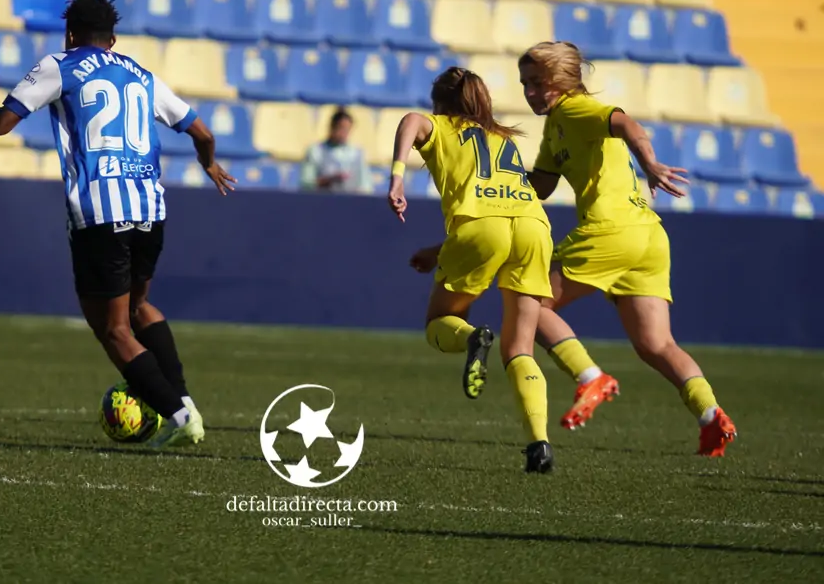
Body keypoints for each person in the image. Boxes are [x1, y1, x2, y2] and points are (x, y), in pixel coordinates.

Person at [0, 0, 236, 449]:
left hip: (100, 212)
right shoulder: (141, 74)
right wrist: (209, 164)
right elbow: (203, 131)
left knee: (113, 328)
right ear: (113, 39)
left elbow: (0, 123)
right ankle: (185, 400)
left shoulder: (60, 65)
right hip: (149, 208)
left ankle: (178, 417)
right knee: (140, 308)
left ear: (70, 34)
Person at [518, 41, 737, 457]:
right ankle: (711, 417)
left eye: (536, 83)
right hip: (647, 238)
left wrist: (650, 165)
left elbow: (627, 124)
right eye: (524, 83)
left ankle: (590, 377)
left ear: (561, 82)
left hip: (611, 231)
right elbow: (542, 186)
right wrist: (502, 183)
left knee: (528, 300)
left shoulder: (575, 109)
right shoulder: (556, 127)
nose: (529, 92)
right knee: (656, 345)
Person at [388, 66, 556, 473]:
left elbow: (411, 121)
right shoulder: (503, 137)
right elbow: (502, 210)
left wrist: (396, 178)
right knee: (521, 348)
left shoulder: (443, 126)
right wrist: (439, 249)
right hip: (534, 229)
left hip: (483, 229)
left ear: (441, 103)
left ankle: (471, 339)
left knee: (440, 322)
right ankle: (539, 444)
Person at [300, 107, 372, 194]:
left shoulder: (357, 153)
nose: (344, 133)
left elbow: (366, 187)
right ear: (332, 127)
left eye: (347, 129)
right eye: (341, 128)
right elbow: (306, 184)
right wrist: (328, 180)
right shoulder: (315, 151)